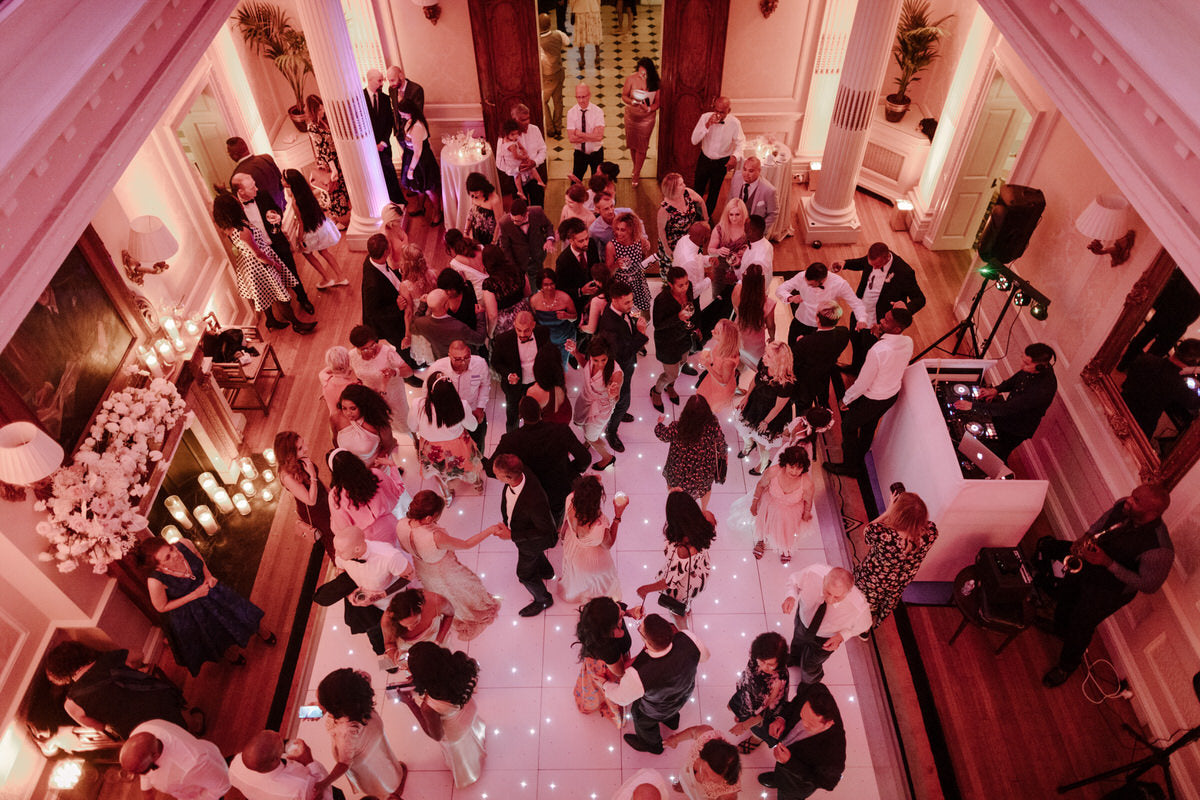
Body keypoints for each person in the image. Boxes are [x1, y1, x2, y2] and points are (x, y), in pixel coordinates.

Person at [1042, 483, 1173, 688]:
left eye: (1136, 500)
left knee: (1081, 624)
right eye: (1132, 495)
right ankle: (1059, 629)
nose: (1128, 500)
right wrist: (1085, 537)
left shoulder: (1160, 550)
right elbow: (1101, 523)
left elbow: (1148, 585)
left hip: (1110, 591)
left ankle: (1066, 666)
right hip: (1086, 566)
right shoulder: (1124, 506)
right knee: (1066, 598)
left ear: (1153, 512)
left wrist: (1107, 563)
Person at [134, 537, 273, 675]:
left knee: (241, 612)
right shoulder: (155, 581)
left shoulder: (185, 544)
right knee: (216, 634)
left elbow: (198, 556)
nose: (175, 554)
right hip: (192, 610)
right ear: (158, 567)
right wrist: (194, 595)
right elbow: (161, 607)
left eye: (171, 548)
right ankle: (233, 657)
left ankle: (262, 631)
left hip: (210, 590)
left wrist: (208, 575)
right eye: (168, 557)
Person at [394, 491, 501, 642]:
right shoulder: (435, 537)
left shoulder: (401, 524)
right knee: (464, 591)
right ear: (429, 517)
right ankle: (471, 614)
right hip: (444, 570)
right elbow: (466, 544)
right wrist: (490, 530)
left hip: (423, 569)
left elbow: (405, 549)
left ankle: (458, 616)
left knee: (447, 596)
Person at [824, 307, 914, 477]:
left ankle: (850, 467)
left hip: (873, 397)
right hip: (891, 395)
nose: (881, 320)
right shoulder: (908, 342)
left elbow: (863, 383)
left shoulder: (878, 351)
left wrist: (846, 400)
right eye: (884, 317)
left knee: (848, 425)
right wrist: (879, 336)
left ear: (896, 329)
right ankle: (859, 457)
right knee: (868, 427)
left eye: (886, 321)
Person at [606, 612, 709, 755]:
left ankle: (652, 745)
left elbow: (621, 699)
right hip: (684, 693)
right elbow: (704, 657)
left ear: (647, 642)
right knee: (673, 709)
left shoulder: (637, 674)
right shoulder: (689, 637)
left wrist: (606, 685)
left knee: (642, 721)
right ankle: (672, 722)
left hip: (655, 710)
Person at [211, 194, 314, 335]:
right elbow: (258, 253)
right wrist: (274, 263)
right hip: (261, 264)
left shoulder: (229, 228)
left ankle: (271, 320)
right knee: (280, 296)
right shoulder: (243, 230)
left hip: (250, 265)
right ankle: (297, 324)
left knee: (265, 293)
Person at [44, 641, 192, 739]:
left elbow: (100, 726)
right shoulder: (109, 659)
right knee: (159, 693)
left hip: (137, 730)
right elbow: (139, 655)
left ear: (60, 675)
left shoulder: (71, 705)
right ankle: (190, 723)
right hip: (159, 703)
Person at [488, 396, 589, 523]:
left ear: (520, 415)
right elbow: (585, 458)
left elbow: (490, 470)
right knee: (557, 513)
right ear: (541, 411)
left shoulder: (510, 440)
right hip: (558, 487)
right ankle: (556, 529)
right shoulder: (561, 430)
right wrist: (570, 470)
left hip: (528, 491)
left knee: (536, 517)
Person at [954, 342, 1058, 461]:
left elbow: (1007, 408)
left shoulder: (1041, 390)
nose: (1021, 365)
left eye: (1026, 363)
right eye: (1022, 359)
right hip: (1006, 416)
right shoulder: (1033, 369)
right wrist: (996, 390)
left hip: (1016, 428)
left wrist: (972, 406)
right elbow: (1017, 379)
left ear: (1040, 366)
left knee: (995, 455)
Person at [402, 642, 487, 788]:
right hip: (469, 709)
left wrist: (411, 704)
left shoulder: (429, 706)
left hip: (455, 730)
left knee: (458, 752)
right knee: (470, 733)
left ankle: (468, 774)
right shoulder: (461, 662)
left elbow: (436, 735)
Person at [832, 241, 926, 372]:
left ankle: (866, 374)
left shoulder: (904, 272)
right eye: (872, 265)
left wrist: (906, 308)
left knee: (869, 348)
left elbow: (920, 299)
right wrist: (845, 263)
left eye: (877, 266)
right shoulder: (873, 259)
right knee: (855, 339)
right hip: (861, 311)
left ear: (886, 257)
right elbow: (862, 263)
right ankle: (855, 367)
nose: (874, 269)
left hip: (879, 319)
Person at [316, 668, 408, 800]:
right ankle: (394, 776)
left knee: (374, 775)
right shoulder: (358, 694)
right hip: (372, 732)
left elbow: (343, 764)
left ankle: (387, 791)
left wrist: (325, 783)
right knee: (382, 757)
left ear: (335, 707)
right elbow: (364, 675)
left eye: (323, 703)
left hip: (360, 754)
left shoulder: (346, 732)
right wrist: (321, 709)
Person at [233, 173, 316, 317]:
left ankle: (303, 299)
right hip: (260, 251)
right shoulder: (235, 208)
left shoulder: (262, 195)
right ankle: (286, 310)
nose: (257, 189)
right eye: (252, 187)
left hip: (277, 243)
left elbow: (276, 210)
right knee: (274, 281)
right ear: (241, 192)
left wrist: (278, 216)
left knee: (292, 272)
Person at [854, 491, 939, 630]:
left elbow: (867, 533)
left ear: (897, 515)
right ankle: (871, 620)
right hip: (901, 579)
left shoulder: (882, 533)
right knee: (885, 598)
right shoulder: (931, 532)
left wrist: (888, 512)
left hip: (876, 576)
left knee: (867, 600)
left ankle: (862, 627)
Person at [752, 682, 846, 798]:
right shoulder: (816, 690)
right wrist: (782, 719)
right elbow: (796, 702)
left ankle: (783, 783)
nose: (802, 723)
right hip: (785, 766)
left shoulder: (834, 753)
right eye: (802, 715)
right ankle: (778, 778)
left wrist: (789, 762)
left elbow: (827, 783)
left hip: (796, 784)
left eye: (809, 725)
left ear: (828, 724)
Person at [636, 492, 716, 629]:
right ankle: (687, 606)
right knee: (686, 602)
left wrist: (645, 589)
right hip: (699, 572)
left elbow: (668, 582)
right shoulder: (707, 518)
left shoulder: (682, 549)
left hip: (683, 587)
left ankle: (684, 632)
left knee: (677, 613)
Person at [493, 453, 558, 617]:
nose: (495, 476)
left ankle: (543, 600)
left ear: (507, 476)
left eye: (497, 474)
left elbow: (545, 530)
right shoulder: (521, 472)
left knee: (524, 575)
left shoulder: (534, 501)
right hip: (527, 536)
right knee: (536, 556)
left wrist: (512, 535)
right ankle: (546, 571)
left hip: (532, 542)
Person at [782, 565, 871, 684]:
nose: (829, 599)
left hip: (826, 638)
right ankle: (794, 658)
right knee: (797, 642)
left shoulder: (859, 606)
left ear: (848, 592)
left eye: (837, 597)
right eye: (827, 592)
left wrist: (842, 636)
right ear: (824, 580)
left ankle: (809, 684)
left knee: (811, 665)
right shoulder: (812, 573)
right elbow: (794, 580)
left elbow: (865, 625)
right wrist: (791, 596)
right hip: (803, 621)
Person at [408, 373, 485, 501]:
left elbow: (412, 427)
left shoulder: (418, 405)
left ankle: (447, 495)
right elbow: (473, 427)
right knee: (469, 466)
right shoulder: (461, 405)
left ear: (430, 391)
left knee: (438, 473)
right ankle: (478, 485)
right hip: (458, 445)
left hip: (432, 448)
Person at [598, 280, 649, 453]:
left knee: (623, 399)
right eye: (627, 302)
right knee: (623, 400)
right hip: (619, 370)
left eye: (631, 300)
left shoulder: (621, 312)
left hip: (627, 365)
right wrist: (641, 333)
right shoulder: (609, 325)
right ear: (615, 300)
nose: (631, 305)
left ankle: (618, 413)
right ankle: (611, 431)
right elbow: (623, 354)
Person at [120, 720, 230, 800]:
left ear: (154, 756)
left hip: (201, 788)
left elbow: (222, 785)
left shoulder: (193, 763)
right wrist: (146, 790)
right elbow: (141, 759)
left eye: (142, 771)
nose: (134, 775)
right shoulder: (140, 732)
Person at [574, 596, 640, 726]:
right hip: (611, 668)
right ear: (607, 631)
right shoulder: (607, 650)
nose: (622, 614)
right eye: (620, 618)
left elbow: (619, 607)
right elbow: (621, 672)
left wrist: (629, 612)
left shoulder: (606, 614)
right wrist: (647, 652)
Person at [559, 475, 626, 603]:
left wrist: (563, 536)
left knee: (575, 574)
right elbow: (608, 544)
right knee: (594, 583)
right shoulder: (598, 525)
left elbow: (566, 523)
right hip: (591, 558)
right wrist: (617, 516)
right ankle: (591, 602)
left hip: (572, 543)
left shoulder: (570, 499)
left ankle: (574, 592)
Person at [736, 342, 799, 476]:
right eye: (765, 353)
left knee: (762, 442)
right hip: (755, 403)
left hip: (770, 413)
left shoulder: (786, 383)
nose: (763, 357)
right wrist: (747, 396)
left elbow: (778, 407)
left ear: (779, 361)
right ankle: (748, 446)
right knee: (745, 429)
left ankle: (764, 463)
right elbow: (756, 378)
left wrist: (765, 421)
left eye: (768, 356)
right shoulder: (763, 363)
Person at [654, 396, 728, 510]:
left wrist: (659, 424)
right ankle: (703, 510)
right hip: (703, 469)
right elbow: (721, 444)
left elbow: (663, 435)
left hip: (679, 470)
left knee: (674, 489)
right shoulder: (713, 426)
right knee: (705, 489)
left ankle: (676, 508)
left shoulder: (678, 427)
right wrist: (724, 455)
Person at [749, 445, 818, 564]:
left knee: (788, 531)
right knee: (765, 524)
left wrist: (806, 513)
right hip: (770, 505)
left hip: (791, 511)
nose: (794, 471)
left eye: (799, 468)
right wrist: (754, 503)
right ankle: (762, 541)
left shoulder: (807, 483)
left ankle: (785, 547)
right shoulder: (773, 471)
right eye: (791, 466)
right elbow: (760, 486)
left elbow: (808, 500)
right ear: (785, 463)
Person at [281, 168, 348, 288]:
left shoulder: (295, 201)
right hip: (320, 226)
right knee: (324, 251)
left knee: (307, 253)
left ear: (290, 183)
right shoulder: (306, 193)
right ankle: (341, 276)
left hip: (309, 230)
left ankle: (327, 278)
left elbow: (301, 222)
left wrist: (300, 239)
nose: (281, 181)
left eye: (283, 179)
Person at [275, 431, 337, 560]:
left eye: (303, 443)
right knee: (331, 534)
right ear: (289, 455)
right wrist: (313, 475)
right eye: (300, 448)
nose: (306, 448)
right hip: (315, 511)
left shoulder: (300, 460)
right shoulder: (287, 476)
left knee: (339, 523)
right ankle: (339, 561)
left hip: (323, 497)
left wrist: (329, 492)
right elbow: (311, 500)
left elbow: (317, 481)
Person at [775, 262, 866, 348]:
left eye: (811, 285)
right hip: (801, 321)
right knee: (792, 349)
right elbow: (780, 289)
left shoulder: (839, 284)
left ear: (822, 281)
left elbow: (856, 303)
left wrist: (861, 319)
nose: (809, 286)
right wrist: (790, 298)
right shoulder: (801, 276)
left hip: (823, 328)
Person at [566, 335, 623, 469]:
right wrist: (574, 352)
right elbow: (585, 364)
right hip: (585, 400)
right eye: (595, 360)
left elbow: (617, 392)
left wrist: (614, 392)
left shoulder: (616, 372)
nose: (600, 364)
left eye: (603, 360)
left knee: (592, 437)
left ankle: (607, 457)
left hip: (600, 410)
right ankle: (588, 439)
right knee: (579, 422)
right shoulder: (590, 361)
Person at [726, 632, 789, 754]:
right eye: (762, 661)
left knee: (759, 730)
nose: (763, 667)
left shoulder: (777, 681)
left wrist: (744, 726)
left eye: (770, 664)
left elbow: (766, 712)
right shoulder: (756, 658)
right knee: (739, 712)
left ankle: (756, 740)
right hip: (747, 695)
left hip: (761, 711)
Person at [328, 449, 407, 543]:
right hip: (391, 525)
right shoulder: (374, 475)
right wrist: (392, 465)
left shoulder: (335, 496)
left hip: (368, 540)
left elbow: (341, 529)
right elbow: (397, 490)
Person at [230, 730, 334, 800]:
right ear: (275, 759)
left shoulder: (235, 765)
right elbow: (326, 794)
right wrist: (309, 762)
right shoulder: (301, 786)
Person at [492, 310, 551, 430]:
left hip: (537, 383)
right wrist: (508, 375)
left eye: (527, 330)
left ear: (533, 325)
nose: (522, 334)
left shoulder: (543, 332)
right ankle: (513, 439)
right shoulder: (503, 340)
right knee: (512, 415)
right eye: (519, 330)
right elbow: (495, 362)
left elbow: (547, 354)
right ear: (514, 324)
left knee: (538, 411)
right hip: (514, 386)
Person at [428, 340, 491, 450]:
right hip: (448, 418)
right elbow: (428, 392)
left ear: (470, 352)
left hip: (473, 412)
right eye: (458, 359)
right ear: (449, 356)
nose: (463, 362)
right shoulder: (437, 368)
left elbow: (485, 385)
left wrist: (480, 407)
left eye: (466, 357)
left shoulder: (480, 364)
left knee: (478, 445)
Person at [380, 588, 455, 680]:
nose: (410, 628)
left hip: (435, 640)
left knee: (444, 667)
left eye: (415, 622)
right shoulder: (387, 620)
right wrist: (403, 663)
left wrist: (437, 643)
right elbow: (389, 643)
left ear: (421, 607)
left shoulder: (436, 601)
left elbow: (450, 615)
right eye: (405, 626)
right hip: (408, 650)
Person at [690, 97, 746, 218]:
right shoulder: (705, 117)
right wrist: (707, 124)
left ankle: (706, 217)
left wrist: (735, 157)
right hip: (704, 159)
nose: (718, 115)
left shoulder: (734, 123)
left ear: (729, 110)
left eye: (722, 112)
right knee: (698, 189)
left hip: (722, 162)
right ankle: (693, 215)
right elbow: (694, 140)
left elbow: (741, 142)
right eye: (716, 110)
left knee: (714, 192)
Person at [651, 267, 697, 411]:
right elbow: (658, 325)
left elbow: (692, 308)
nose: (685, 288)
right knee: (671, 374)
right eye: (680, 285)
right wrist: (678, 318)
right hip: (668, 343)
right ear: (670, 285)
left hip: (683, 339)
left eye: (686, 283)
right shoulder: (662, 300)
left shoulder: (688, 291)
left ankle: (670, 387)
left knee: (682, 363)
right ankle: (656, 391)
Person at [790, 301, 851, 411]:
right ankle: (823, 408)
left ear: (817, 319)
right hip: (825, 372)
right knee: (823, 394)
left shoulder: (805, 343)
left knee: (804, 405)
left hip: (806, 380)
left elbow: (794, 363)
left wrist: (802, 341)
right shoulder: (844, 333)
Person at [349, 324, 414, 424]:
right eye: (365, 349)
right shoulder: (352, 355)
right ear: (356, 347)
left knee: (402, 418)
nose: (371, 349)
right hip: (372, 395)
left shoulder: (387, 352)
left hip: (393, 393)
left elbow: (409, 372)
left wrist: (394, 372)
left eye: (373, 345)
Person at [395, 99, 443, 225]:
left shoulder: (417, 127)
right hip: (411, 157)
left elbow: (418, 152)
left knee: (428, 189)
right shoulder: (410, 121)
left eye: (403, 113)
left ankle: (438, 212)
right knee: (418, 187)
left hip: (421, 161)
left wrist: (410, 170)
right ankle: (421, 207)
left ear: (410, 112)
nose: (401, 116)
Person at [305, 95, 350, 229]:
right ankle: (338, 218)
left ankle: (338, 217)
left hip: (335, 159)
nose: (322, 111)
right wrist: (333, 168)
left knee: (340, 188)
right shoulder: (313, 127)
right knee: (333, 189)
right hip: (327, 163)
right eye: (319, 109)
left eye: (322, 108)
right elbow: (324, 149)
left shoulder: (324, 121)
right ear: (313, 111)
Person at [361, 233, 409, 356]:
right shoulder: (373, 285)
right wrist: (397, 307)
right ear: (386, 253)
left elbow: (388, 277)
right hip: (389, 322)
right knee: (403, 343)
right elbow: (373, 312)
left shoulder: (371, 259)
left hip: (392, 297)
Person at [662, 725, 742, 799]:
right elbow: (693, 732)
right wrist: (675, 739)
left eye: (712, 779)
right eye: (705, 772)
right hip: (687, 775)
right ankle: (683, 785)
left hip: (699, 794)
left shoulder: (728, 794)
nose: (702, 778)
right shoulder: (706, 737)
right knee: (685, 780)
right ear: (702, 755)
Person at [362, 69, 406, 205]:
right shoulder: (359, 99)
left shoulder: (386, 99)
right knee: (373, 177)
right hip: (368, 148)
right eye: (379, 80)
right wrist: (371, 145)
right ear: (370, 80)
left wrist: (383, 142)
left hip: (384, 146)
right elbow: (360, 125)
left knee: (390, 173)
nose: (382, 83)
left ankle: (398, 201)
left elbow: (389, 123)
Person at [332, 383, 401, 469]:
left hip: (375, 468)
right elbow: (335, 441)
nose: (348, 413)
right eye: (344, 408)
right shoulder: (336, 418)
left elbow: (388, 447)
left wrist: (371, 471)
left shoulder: (378, 423)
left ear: (363, 406)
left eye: (353, 408)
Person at [410, 288, 487, 362]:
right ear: (446, 304)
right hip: (465, 360)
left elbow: (412, 328)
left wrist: (422, 307)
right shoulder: (458, 327)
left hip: (441, 360)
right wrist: (480, 316)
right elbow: (480, 340)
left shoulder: (422, 323)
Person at [496, 105, 548, 206]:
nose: (527, 122)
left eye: (528, 118)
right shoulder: (503, 139)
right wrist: (516, 169)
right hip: (516, 179)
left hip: (533, 175)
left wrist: (534, 162)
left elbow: (543, 150)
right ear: (514, 119)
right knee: (521, 209)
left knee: (538, 207)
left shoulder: (535, 130)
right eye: (523, 120)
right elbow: (499, 163)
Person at [499, 196, 556, 283]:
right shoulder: (504, 223)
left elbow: (548, 226)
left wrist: (549, 240)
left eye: (517, 221)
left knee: (539, 279)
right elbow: (505, 248)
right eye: (512, 219)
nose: (514, 223)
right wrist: (513, 268)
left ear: (526, 214)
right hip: (520, 261)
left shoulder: (537, 212)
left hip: (537, 255)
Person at [622, 57, 660, 185]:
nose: (642, 75)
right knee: (633, 144)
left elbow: (658, 103)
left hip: (646, 119)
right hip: (631, 117)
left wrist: (649, 108)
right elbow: (624, 96)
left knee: (642, 147)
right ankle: (636, 167)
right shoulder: (631, 79)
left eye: (644, 73)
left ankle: (636, 173)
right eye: (640, 72)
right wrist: (631, 101)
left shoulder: (655, 82)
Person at [607, 211, 654, 314]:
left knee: (644, 316)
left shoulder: (640, 242)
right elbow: (608, 273)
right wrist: (616, 265)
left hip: (639, 284)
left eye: (623, 230)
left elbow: (642, 263)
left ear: (632, 230)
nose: (618, 233)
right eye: (617, 229)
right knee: (626, 316)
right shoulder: (611, 246)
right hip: (622, 287)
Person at [657, 173, 707, 270]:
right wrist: (667, 249)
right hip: (674, 243)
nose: (684, 185)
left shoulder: (687, 193)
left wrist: (706, 220)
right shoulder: (664, 210)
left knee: (692, 266)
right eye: (681, 184)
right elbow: (661, 231)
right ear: (672, 189)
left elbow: (701, 201)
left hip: (691, 238)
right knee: (675, 271)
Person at [730, 263, 775, 370]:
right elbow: (771, 325)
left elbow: (736, 310)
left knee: (737, 353)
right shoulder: (768, 303)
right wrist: (772, 338)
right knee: (758, 364)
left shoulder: (736, 291)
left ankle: (737, 369)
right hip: (755, 339)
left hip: (739, 330)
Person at [482, 244, 532, 338]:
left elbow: (493, 315)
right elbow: (528, 292)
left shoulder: (489, 284)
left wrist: (490, 333)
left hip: (505, 324)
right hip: (523, 315)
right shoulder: (518, 270)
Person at [529, 268, 578, 363]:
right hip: (545, 342)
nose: (550, 287)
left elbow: (574, 318)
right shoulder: (534, 300)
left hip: (564, 340)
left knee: (562, 365)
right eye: (546, 285)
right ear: (540, 286)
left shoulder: (565, 298)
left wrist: (566, 316)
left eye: (552, 284)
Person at [556, 217, 604, 310]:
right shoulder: (563, 261)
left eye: (586, 238)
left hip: (595, 298)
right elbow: (560, 289)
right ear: (571, 240)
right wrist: (581, 291)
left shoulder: (591, 245)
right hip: (576, 304)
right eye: (581, 241)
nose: (586, 243)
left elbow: (596, 268)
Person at [227, 136, 285, 212]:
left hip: (267, 219)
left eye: (229, 152)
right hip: (283, 207)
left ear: (234, 155)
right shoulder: (267, 158)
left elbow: (242, 206)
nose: (229, 155)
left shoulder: (236, 178)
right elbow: (281, 181)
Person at [696, 319, 741, 414]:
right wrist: (709, 360)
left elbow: (724, 382)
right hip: (713, 378)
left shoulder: (729, 360)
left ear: (725, 337)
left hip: (721, 387)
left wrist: (708, 366)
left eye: (716, 332)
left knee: (708, 406)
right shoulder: (723, 345)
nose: (712, 331)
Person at [538, 14, 570, 138]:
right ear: (550, 24)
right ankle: (558, 127)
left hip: (548, 76)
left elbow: (542, 60)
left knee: (543, 101)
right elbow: (567, 42)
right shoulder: (558, 34)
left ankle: (550, 129)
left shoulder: (539, 42)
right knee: (558, 101)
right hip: (560, 72)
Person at [567, 83, 605, 180]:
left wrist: (579, 134)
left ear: (589, 95)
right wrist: (591, 136)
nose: (581, 100)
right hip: (580, 153)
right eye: (578, 97)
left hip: (596, 153)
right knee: (575, 181)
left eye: (583, 97)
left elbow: (599, 137)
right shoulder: (571, 113)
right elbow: (571, 139)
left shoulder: (598, 111)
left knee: (598, 183)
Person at [729, 156, 779, 231]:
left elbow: (773, 214)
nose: (746, 174)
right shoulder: (736, 176)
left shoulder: (769, 190)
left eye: (751, 171)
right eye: (744, 169)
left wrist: (759, 230)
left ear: (759, 171)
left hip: (753, 229)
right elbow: (730, 199)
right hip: (734, 223)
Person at [316, 344, 357, 418]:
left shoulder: (325, 379)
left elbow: (322, 372)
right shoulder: (354, 386)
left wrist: (335, 365)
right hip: (351, 421)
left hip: (335, 422)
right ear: (348, 362)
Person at [445, 228, 489, 294]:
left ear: (450, 247)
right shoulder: (480, 247)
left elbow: (462, 285)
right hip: (496, 284)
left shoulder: (455, 263)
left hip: (482, 293)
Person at [464, 172, 503, 246]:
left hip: (490, 236)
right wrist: (466, 232)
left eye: (477, 192)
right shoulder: (473, 196)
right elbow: (471, 214)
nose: (475, 195)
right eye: (472, 193)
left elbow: (499, 223)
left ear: (483, 187)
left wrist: (493, 242)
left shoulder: (494, 200)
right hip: (476, 234)